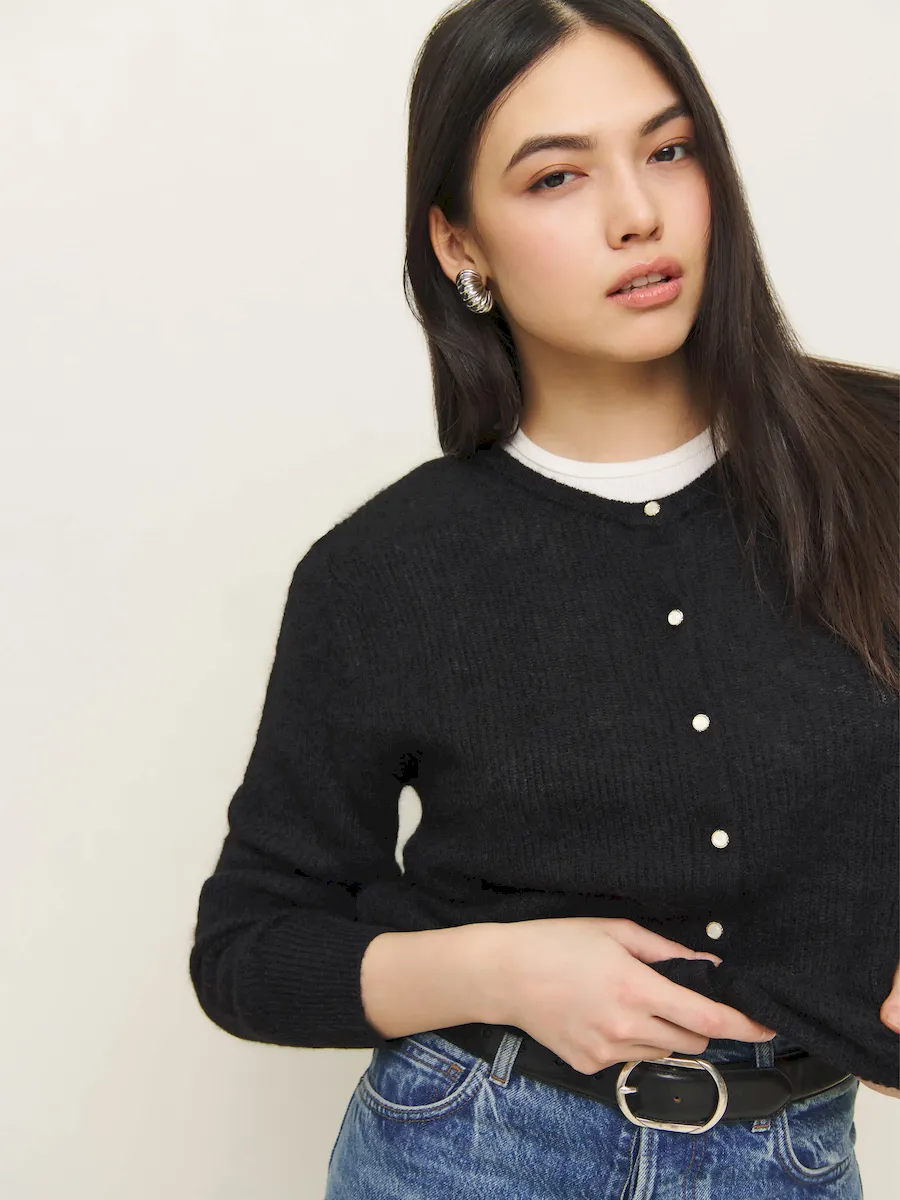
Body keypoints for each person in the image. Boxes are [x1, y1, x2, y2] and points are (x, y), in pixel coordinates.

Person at [189, 1, 899, 1196]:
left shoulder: (881, 458)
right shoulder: (384, 572)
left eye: (668, 149)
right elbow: (250, 949)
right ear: (459, 243)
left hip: (793, 1155)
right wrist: (502, 972)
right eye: (557, 176)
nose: (638, 213)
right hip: (467, 1150)